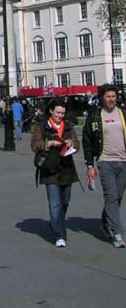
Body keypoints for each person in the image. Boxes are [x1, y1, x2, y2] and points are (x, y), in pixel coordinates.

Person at [31, 98, 79, 247]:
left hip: (66, 168)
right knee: (55, 204)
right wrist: (49, 143)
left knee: (65, 201)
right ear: (51, 111)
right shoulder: (42, 126)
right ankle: (60, 235)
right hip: (49, 169)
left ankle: (57, 222)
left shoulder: (69, 126)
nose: (60, 115)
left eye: (63, 113)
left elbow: (77, 144)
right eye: (57, 112)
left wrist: (72, 143)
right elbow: (34, 145)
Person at [83, 83, 126, 248]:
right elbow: (87, 140)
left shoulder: (122, 113)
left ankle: (105, 221)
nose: (111, 99)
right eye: (108, 96)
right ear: (102, 98)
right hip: (105, 160)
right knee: (111, 196)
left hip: (123, 161)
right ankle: (117, 233)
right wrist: (89, 165)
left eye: (113, 96)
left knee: (118, 196)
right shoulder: (95, 116)